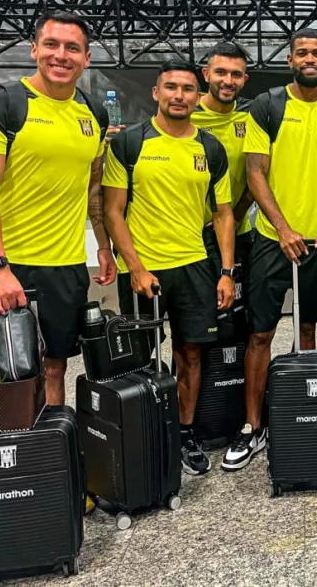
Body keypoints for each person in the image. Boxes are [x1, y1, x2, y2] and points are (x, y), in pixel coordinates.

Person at [0, 10, 118, 560]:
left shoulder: (92, 113)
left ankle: (50, 476)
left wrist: (103, 245)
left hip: (64, 266)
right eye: (52, 44)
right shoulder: (3, 105)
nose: (61, 55)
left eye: (72, 47)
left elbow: (92, 189)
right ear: (34, 49)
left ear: (86, 58)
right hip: (6, 265)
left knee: (53, 369)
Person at [222, 28, 317, 472]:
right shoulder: (267, 106)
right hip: (271, 240)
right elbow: (255, 173)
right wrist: (282, 229)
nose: (309, 59)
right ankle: (252, 427)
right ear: (290, 60)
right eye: (302, 53)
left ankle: (306, 412)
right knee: (260, 335)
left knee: (308, 329)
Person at [103, 59, 237, 477]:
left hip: (195, 266)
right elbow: (113, 211)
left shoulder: (210, 148)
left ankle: (184, 433)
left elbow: (223, 214)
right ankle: (144, 434)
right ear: (156, 93)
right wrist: (136, 268)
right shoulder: (130, 143)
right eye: (171, 87)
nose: (179, 95)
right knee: (139, 359)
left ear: (198, 96)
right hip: (144, 270)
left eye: (188, 89)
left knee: (190, 354)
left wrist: (226, 272)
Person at [191, 41, 256, 318]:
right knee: (197, 323)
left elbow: (258, 175)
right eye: (220, 72)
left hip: (237, 233)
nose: (228, 81)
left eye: (236, 74)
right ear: (206, 74)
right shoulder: (186, 114)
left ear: (245, 79)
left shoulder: (253, 116)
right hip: (191, 237)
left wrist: (237, 216)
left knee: (240, 319)